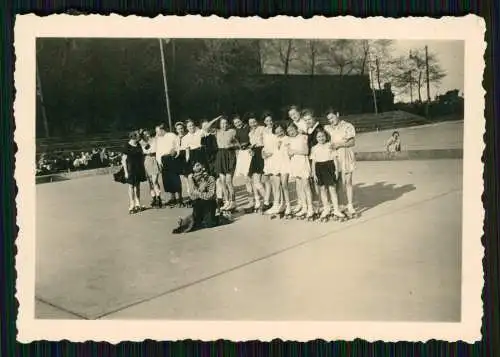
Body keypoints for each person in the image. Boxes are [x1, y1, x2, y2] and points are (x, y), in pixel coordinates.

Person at [172, 161, 232, 234]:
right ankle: (186, 221)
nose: (196, 168)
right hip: (198, 202)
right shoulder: (192, 179)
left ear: (203, 167)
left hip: (209, 202)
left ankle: (223, 216)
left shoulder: (210, 178)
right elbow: (192, 196)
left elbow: (211, 195)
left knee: (209, 224)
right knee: (196, 223)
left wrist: (199, 192)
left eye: (198, 165)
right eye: (194, 166)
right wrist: (191, 182)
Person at [323, 109, 357, 217]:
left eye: (332, 118)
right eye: (329, 119)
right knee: (336, 182)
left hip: (346, 154)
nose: (331, 121)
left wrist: (339, 144)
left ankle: (350, 204)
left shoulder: (347, 126)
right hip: (334, 157)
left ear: (337, 114)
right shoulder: (327, 128)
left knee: (348, 181)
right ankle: (339, 205)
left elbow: (352, 142)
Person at [310, 130, 345, 221]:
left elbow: (334, 159)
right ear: (316, 138)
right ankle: (326, 208)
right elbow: (313, 162)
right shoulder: (314, 148)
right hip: (319, 168)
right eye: (318, 137)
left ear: (326, 136)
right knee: (323, 189)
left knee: (332, 189)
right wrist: (314, 173)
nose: (321, 138)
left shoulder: (330, 145)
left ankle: (336, 209)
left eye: (322, 136)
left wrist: (336, 170)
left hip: (329, 167)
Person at [205, 115, 238, 211]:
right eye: (222, 123)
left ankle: (233, 202)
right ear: (219, 124)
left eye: (226, 123)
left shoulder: (232, 131)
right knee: (222, 181)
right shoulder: (217, 131)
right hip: (220, 155)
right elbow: (206, 127)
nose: (224, 125)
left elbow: (239, 144)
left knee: (228, 181)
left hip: (230, 156)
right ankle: (226, 201)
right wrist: (216, 118)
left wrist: (232, 145)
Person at [287, 122, 314, 220]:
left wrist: (294, 151)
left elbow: (306, 151)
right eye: (288, 131)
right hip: (295, 163)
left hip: (303, 162)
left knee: (306, 185)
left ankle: (310, 207)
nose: (291, 132)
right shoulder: (289, 140)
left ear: (296, 128)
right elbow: (289, 153)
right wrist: (290, 152)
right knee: (299, 187)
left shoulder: (303, 137)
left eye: (292, 130)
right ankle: (304, 207)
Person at [155, 124, 182, 207]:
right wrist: (159, 162)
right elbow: (158, 151)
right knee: (168, 180)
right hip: (164, 160)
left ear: (162, 130)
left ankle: (180, 198)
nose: (157, 133)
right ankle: (172, 198)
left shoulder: (172, 135)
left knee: (175, 178)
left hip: (172, 158)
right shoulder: (158, 139)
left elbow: (178, 146)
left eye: (158, 131)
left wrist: (176, 153)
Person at [232, 115, 255, 211]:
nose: (238, 124)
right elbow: (235, 143)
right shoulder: (235, 132)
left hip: (249, 152)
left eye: (238, 122)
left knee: (251, 177)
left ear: (241, 121)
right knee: (246, 178)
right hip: (242, 154)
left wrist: (249, 147)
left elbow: (252, 139)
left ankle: (256, 199)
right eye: (235, 123)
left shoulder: (247, 128)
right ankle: (251, 200)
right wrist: (238, 146)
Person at [121, 130, 147, 214]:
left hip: (138, 168)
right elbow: (123, 160)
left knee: (137, 185)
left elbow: (146, 149)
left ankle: (138, 202)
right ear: (133, 137)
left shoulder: (139, 144)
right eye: (138, 136)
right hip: (130, 168)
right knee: (131, 186)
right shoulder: (126, 145)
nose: (139, 138)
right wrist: (125, 172)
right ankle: (132, 203)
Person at [247, 114, 268, 211]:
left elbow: (266, 141)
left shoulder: (262, 128)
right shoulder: (250, 133)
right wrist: (250, 150)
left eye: (254, 122)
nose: (253, 124)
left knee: (258, 181)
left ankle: (267, 200)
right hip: (254, 154)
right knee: (254, 180)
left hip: (261, 152)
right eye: (251, 122)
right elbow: (251, 144)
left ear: (257, 121)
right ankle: (259, 201)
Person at [140, 129, 162, 208]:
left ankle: (159, 198)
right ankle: (154, 198)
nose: (147, 135)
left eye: (148, 133)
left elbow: (154, 150)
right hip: (146, 161)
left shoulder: (154, 140)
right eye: (145, 134)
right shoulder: (141, 142)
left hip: (154, 159)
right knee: (150, 182)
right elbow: (143, 152)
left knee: (155, 181)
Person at [261, 112, 276, 213]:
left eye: (270, 120)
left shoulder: (276, 129)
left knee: (275, 180)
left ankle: (276, 202)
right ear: (264, 122)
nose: (269, 122)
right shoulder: (264, 130)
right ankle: (267, 201)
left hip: (275, 156)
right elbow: (263, 145)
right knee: (266, 180)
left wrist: (273, 153)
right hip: (266, 157)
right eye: (267, 121)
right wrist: (263, 153)